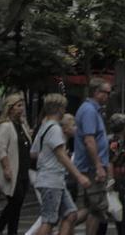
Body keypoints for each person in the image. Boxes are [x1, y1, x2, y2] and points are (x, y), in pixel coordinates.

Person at [31, 94, 92, 235]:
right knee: (49, 220)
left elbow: (34, 152)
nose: (64, 111)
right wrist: (79, 177)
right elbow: (61, 156)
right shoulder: (54, 129)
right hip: (51, 180)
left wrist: (46, 155)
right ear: (59, 109)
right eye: (64, 108)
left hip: (54, 179)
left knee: (71, 214)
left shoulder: (44, 127)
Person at [74, 78, 112, 235]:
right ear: (96, 92)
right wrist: (98, 166)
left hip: (90, 167)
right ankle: (62, 225)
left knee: (91, 208)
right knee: (96, 208)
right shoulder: (89, 111)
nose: (108, 96)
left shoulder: (92, 110)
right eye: (106, 93)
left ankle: (63, 224)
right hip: (91, 168)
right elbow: (89, 140)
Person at [0, 92, 33, 235]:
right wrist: (6, 168)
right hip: (13, 170)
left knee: (17, 204)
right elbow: (0, 148)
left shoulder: (21, 125)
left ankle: (10, 231)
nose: (21, 109)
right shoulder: (6, 126)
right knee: (15, 201)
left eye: (22, 105)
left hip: (23, 170)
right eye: (18, 106)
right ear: (10, 108)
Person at [105, 113, 125, 235]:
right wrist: (111, 180)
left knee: (112, 210)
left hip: (118, 177)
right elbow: (110, 160)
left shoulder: (115, 139)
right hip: (115, 179)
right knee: (120, 211)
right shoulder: (115, 141)